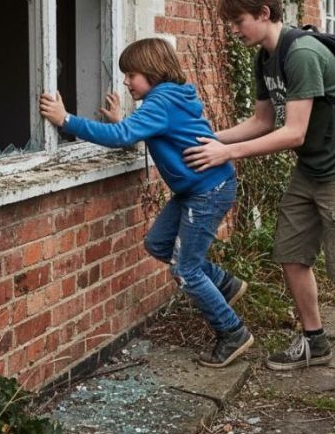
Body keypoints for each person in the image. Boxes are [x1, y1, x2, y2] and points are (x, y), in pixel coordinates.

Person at [183, 0, 335, 399]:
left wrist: (228, 155)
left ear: (264, 13)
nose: (234, 29)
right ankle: (314, 341)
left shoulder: (302, 53)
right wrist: (209, 139)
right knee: (292, 256)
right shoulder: (265, 59)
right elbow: (262, 122)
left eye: (238, 20)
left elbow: (293, 132)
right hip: (312, 167)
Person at [39, 37, 253, 368]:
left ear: (152, 73)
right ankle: (224, 283)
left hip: (207, 191)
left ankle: (233, 333)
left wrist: (65, 119)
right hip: (196, 190)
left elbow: (124, 137)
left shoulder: (161, 101)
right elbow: (134, 132)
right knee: (158, 244)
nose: (126, 81)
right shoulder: (167, 97)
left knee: (185, 270)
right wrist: (121, 124)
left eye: (131, 75)